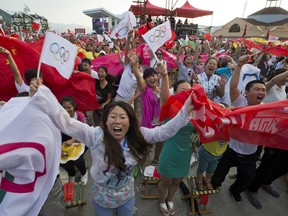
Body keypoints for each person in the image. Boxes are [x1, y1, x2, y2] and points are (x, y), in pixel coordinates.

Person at [29, 75, 195, 216]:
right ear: (105, 121)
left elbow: (164, 131)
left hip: (126, 194)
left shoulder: (139, 135)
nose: (117, 120)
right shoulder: (94, 135)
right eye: (113, 116)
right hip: (102, 195)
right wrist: (42, 97)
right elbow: (65, 122)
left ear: (130, 121)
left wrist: (185, 111)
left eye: (122, 117)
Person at [211, 55, 267, 204]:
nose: (261, 92)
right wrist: (239, 66)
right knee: (219, 173)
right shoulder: (241, 101)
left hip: (250, 155)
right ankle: (215, 184)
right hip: (232, 150)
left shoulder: (267, 110)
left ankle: (235, 190)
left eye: (263, 90)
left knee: (247, 179)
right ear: (247, 93)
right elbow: (233, 87)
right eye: (257, 89)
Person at [246, 68, 288, 209]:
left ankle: (267, 182)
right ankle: (252, 188)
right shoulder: (268, 87)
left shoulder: (284, 89)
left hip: (283, 132)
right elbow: (275, 80)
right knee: (268, 164)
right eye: (284, 76)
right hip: (273, 133)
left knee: (283, 165)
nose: (286, 79)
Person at [157, 80, 195, 216]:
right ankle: (161, 201)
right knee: (166, 181)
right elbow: (165, 97)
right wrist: (164, 75)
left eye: (189, 90)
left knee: (178, 180)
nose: (186, 93)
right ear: (175, 92)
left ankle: (170, 199)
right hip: (170, 149)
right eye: (182, 90)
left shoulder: (194, 109)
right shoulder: (170, 106)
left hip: (185, 151)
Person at [60, 96, 89, 185]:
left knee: (77, 159)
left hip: (80, 140)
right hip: (66, 142)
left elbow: (86, 131)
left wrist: (73, 140)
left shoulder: (79, 116)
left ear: (74, 107)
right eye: (64, 107)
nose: (67, 110)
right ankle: (72, 174)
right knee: (63, 160)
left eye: (69, 107)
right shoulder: (60, 118)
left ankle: (84, 173)